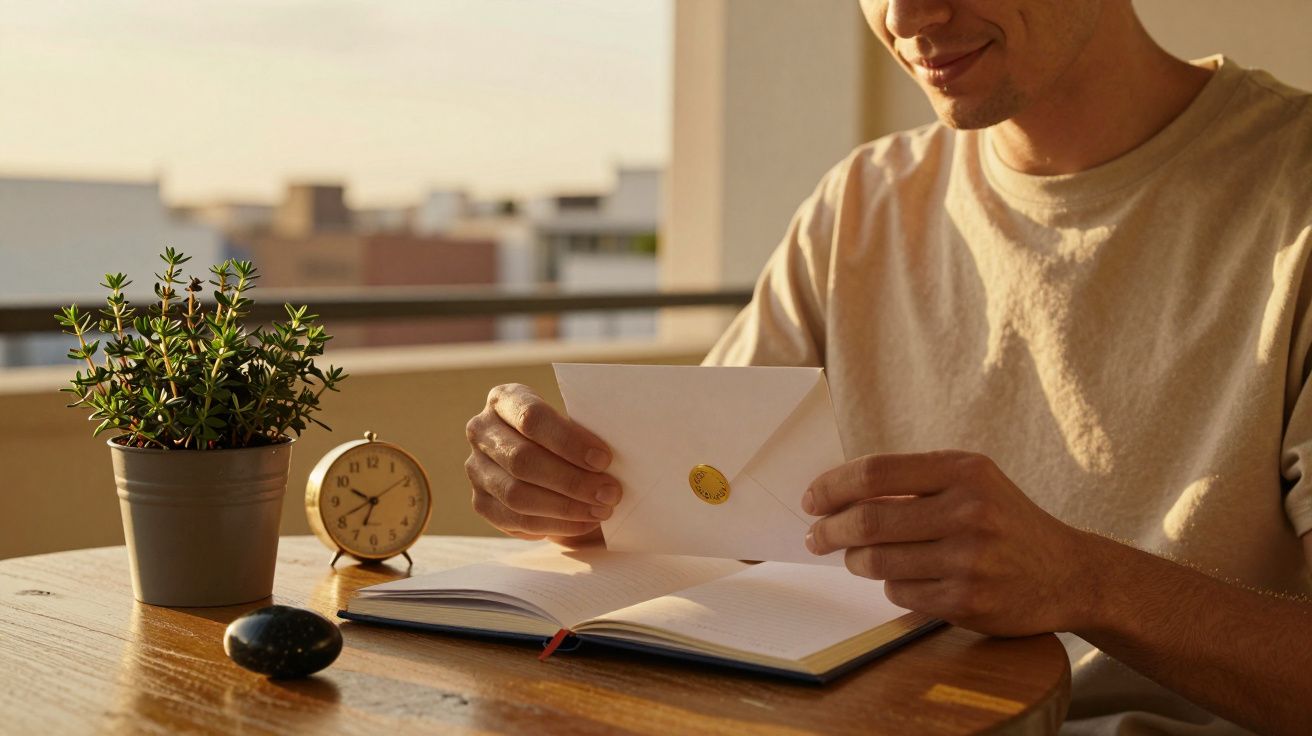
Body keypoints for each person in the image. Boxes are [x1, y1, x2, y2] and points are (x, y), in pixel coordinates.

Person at [464, 1, 1312, 733]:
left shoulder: (1291, 194)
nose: (907, 20)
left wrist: (1085, 582)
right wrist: (573, 494)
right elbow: (697, 507)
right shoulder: (862, 203)